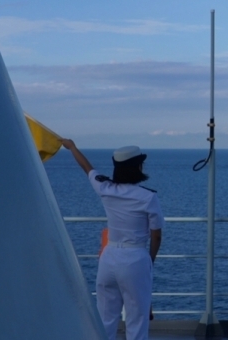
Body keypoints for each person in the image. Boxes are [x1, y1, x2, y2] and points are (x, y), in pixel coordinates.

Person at [61, 140, 164, 340]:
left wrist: (72, 147)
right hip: (135, 258)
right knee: (137, 319)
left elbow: (87, 169)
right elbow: (157, 235)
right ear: (138, 167)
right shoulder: (147, 197)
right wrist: (150, 261)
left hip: (108, 259)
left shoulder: (105, 188)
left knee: (105, 318)